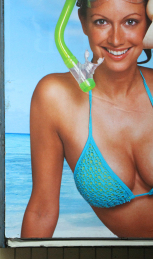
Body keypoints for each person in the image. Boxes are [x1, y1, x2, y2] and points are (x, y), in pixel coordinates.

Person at [21, 0, 153, 238]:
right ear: (83, 21)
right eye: (101, 22)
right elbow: (42, 210)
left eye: (131, 22)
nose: (116, 39)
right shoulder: (55, 97)